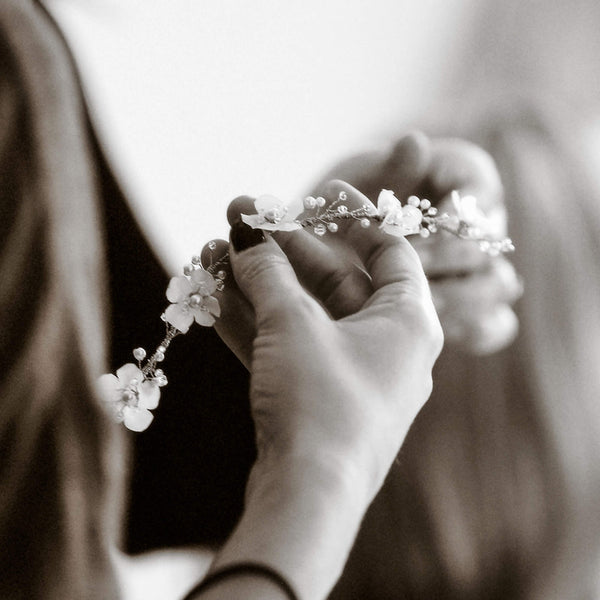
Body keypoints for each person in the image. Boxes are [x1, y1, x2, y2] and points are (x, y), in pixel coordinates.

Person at [0, 1, 448, 598]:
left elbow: (106, 461)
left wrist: (297, 321)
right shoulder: (14, 68)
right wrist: (321, 476)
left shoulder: (28, 55)